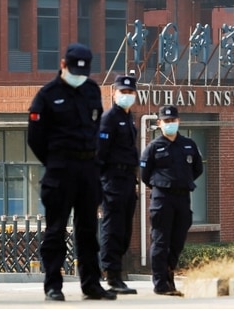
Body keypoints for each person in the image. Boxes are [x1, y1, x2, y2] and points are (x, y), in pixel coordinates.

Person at [27, 43, 116, 302]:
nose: (79, 76)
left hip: (88, 169)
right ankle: (53, 285)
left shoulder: (91, 90)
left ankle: (91, 284)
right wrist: (55, 160)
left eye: (83, 71)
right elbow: (35, 138)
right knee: (55, 230)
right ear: (63, 65)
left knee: (88, 230)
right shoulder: (47, 95)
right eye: (74, 70)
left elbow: (95, 127)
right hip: (60, 169)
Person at [140, 106, 203, 296]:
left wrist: (182, 181)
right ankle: (160, 284)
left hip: (183, 197)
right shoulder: (153, 147)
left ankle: (169, 276)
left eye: (173, 120)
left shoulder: (189, 144)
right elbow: (144, 174)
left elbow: (197, 169)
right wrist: (162, 184)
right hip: (162, 198)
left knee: (177, 241)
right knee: (160, 241)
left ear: (178, 121)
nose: (170, 124)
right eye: (166, 121)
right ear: (159, 124)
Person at [98, 75, 139, 294]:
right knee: (113, 228)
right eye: (123, 92)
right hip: (112, 180)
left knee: (124, 230)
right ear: (114, 93)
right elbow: (100, 154)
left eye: (130, 92)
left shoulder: (129, 117)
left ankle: (117, 272)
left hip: (127, 180)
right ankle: (112, 276)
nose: (127, 96)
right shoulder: (110, 118)